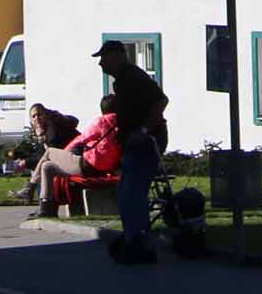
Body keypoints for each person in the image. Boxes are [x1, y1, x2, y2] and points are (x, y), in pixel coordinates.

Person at [93, 38, 168, 264]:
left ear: (116, 56)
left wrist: (144, 130)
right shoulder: (123, 81)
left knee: (132, 194)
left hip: (146, 143)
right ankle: (133, 238)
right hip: (133, 143)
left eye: (103, 58)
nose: (101, 64)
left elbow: (161, 101)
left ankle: (139, 241)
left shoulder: (134, 77)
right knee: (127, 193)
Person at [30, 95, 122, 218]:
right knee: (47, 167)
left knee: (50, 153)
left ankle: (30, 186)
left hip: (89, 165)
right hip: (103, 168)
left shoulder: (102, 122)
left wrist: (67, 153)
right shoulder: (122, 124)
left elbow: (81, 139)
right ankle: (46, 208)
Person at [15, 103, 79, 200]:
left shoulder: (54, 128)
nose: (37, 118)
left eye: (39, 115)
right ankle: (39, 201)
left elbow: (48, 153)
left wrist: (26, 162)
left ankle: (34, 193)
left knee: (45, 166)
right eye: (34, 116)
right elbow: (39, 152)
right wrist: (17, 156)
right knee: (43, 165)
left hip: (77, 160)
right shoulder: (45, 129)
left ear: (45, 115)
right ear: (31, 120)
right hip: (66, 158)